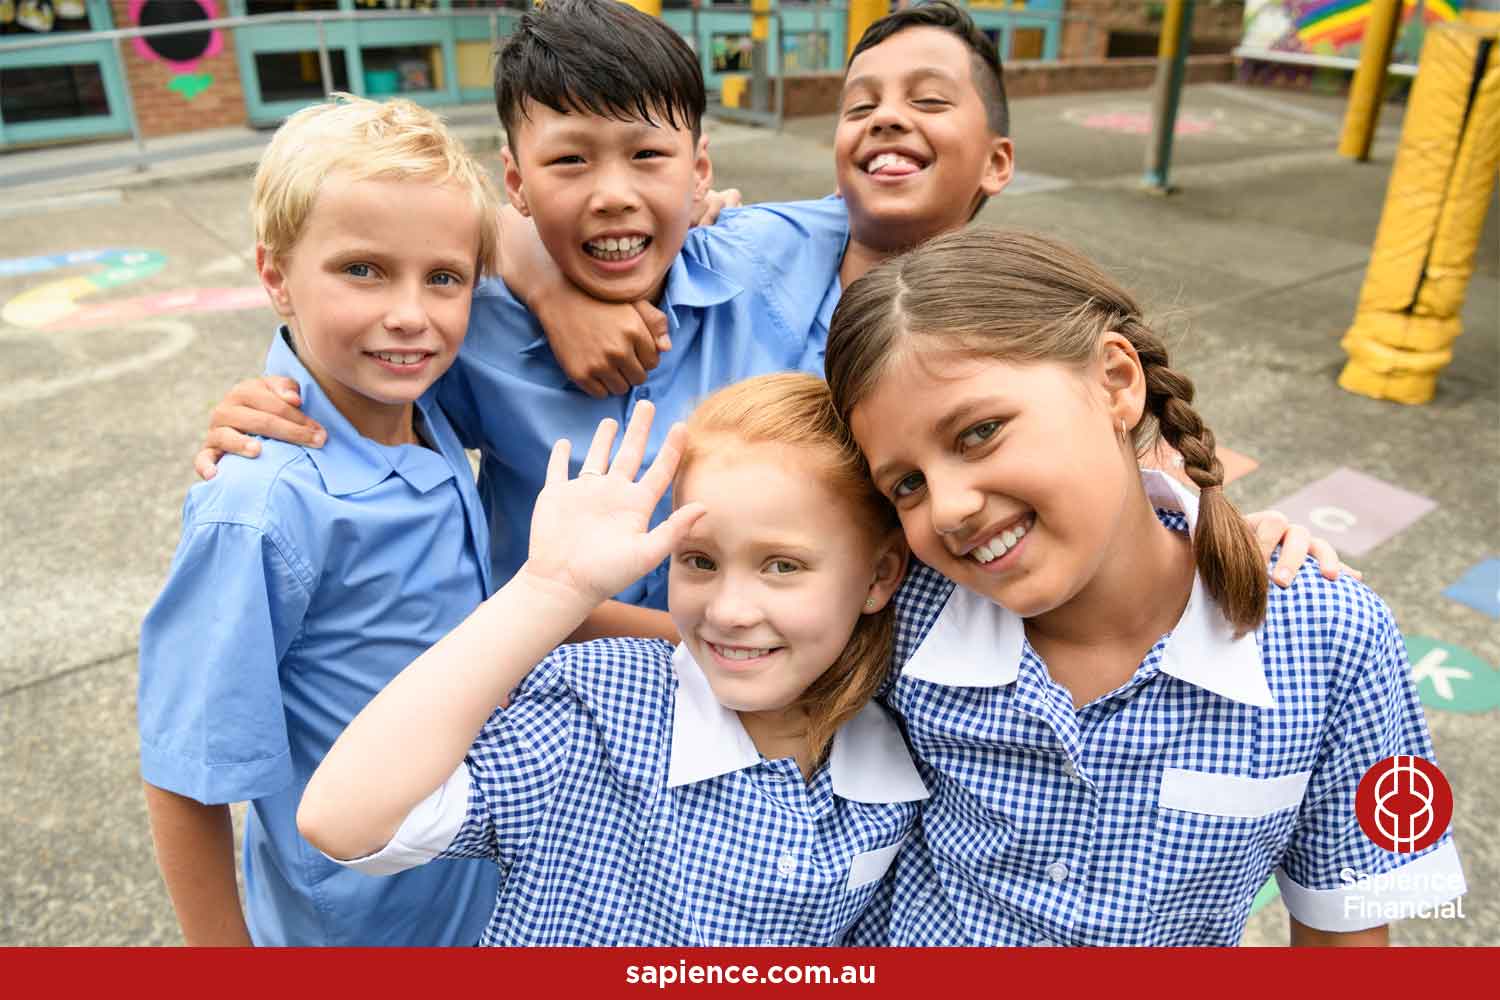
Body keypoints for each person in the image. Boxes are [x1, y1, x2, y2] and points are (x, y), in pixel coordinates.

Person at [189, 1, 1339, 628]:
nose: (614, 190)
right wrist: (270, 388)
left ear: (700, 168)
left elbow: (1068, 411)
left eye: (650, 157)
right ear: (519, 179)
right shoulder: (494, 307)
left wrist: (1216, 510)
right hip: (561, 678)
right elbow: (395, 272)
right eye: (863, 104)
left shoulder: (782, 256)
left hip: (784, 679)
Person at [824, 226, 1466, 947]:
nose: (948, 508)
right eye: (906, 484)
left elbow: (1345, 926)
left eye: (979, 433)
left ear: (1117, 383)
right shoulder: (904, 612)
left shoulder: (1330, 640)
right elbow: (736, 643)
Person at [297, 380, 928, 945]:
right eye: (700, 561)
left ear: (880, 575)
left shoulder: (902, 762)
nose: (731, 610)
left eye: (782, 566)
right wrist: (552, 587)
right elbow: (341, 821)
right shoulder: (596, 709)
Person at [137, 95, 504, 946]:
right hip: (359, 933)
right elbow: (187, 773)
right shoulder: (260, 510)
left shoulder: (420, 407)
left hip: (471, 893)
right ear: (274, 276)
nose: (411, 313)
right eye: (363, 270)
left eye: (442, 278)